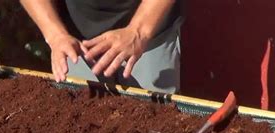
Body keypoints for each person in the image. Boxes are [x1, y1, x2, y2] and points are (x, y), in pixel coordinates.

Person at [20, 0, 183, 94]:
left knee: (155, 120)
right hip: (78, 42)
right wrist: (55, 35)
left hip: (149, 35)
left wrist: (139, 31)